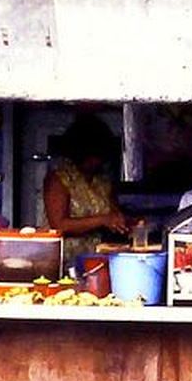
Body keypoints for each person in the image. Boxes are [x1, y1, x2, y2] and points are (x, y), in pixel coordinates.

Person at [43, 114, 130, 271]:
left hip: (96, 261)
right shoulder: (59, 178)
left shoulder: (102, 181)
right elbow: (58, 225)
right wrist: (102, 220)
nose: (98, 161)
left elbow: (114, 215)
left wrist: (127, 223)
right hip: (64, 261)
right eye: (94, 156)